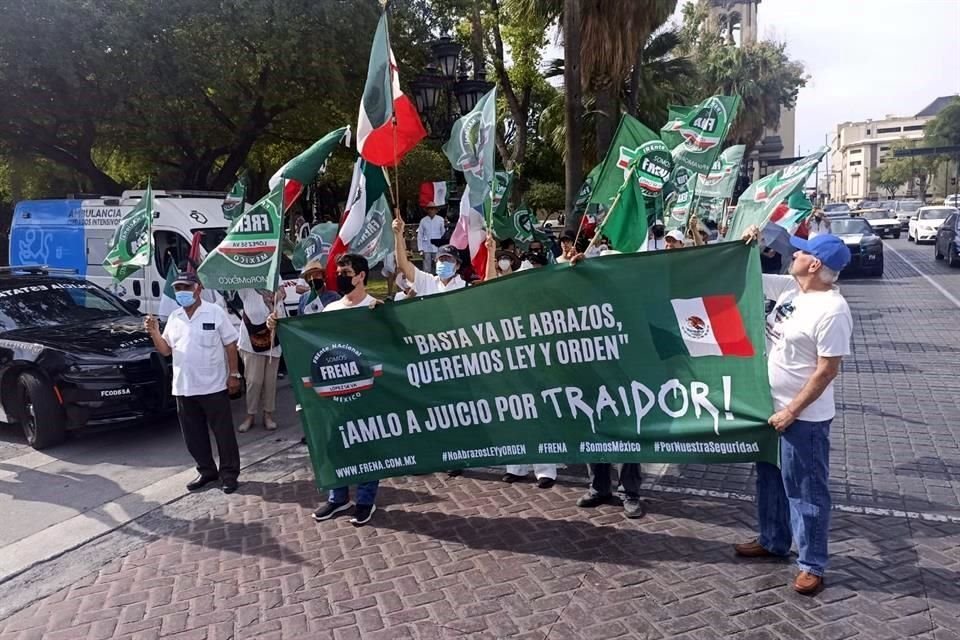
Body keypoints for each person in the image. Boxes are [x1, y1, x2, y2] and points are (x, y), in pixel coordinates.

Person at [735, 229, 853, 595]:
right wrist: (748, 245)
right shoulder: (791, 288)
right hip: (769, 409)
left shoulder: (832, 310)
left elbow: (826, 370)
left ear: (814, 264)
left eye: (801, 253)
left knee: (806, 491)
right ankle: (772, 540)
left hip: (803, 419)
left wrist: (792, 411)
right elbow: (743, 274)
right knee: (769, 479)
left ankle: (812, 564)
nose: (793, 255)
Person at [270, 254, 381, 526]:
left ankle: (366, 500)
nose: (340, 276)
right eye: (339, 271)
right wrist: (279, 326)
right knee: (333, 444)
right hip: (334, 392)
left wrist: (385, 318)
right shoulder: (330, 311)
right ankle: (338, 496)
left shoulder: (375, 307)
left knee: (366, 444)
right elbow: (310, 343)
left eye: (346, 272)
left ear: (361, 275)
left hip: (367, 391)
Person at [144, 272, 242, 494]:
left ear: (198, 289)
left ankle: (229, 474)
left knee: (223, 434)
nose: (182, 293)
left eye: (186, 288)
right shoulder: (175, 316)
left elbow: (230, 344)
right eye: (178, 289)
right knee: (193, 436)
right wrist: (154, 332)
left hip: (214, 386)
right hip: (184, 387)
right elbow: (166, 350)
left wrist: (234, 374)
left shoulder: (215, 312)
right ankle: (207, 471)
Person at [236, 287, 285, 432]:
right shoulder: (245, 285)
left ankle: (268, 415)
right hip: (250, 340)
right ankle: (250, 415)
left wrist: (276, 297)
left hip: (273, 338)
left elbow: (282, 294)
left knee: (270, 381)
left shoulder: (274, 276)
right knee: (253, 381)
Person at [395, 217, 467, 296]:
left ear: (458, 265)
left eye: (448, 259)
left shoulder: (465, 287)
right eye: (441, 259)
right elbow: (403, 266)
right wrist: (398, 235)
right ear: (436, 262)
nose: (444, 262)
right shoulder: (426, 281)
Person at [417, 206, 446, 274]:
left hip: (438, 247)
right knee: (426, 269)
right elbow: (420, 235)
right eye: (429, 209)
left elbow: (443, 234)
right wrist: (420, 249)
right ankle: (427, 282)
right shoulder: (423, 220)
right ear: (427, 210)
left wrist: (443, 247)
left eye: (433, 209)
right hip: (426, 247)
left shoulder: (440, 219)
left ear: (436, 210)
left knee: (440, 266)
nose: (431, 211)